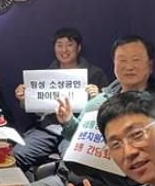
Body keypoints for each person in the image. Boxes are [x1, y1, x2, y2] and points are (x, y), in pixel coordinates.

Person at [16, 35, 155, 186]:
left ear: (150, 65)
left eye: (136, 60)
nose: (128, 66)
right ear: (114, 64)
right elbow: (78, 135)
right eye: (122, 60)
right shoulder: (99, 100)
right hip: (72, 177)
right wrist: (68, 121)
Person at [13, 27, 109, 173]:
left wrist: (97, 96)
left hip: (77, 130)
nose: (64, 50)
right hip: (48, 129)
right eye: (59, 45)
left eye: (69, 45)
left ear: (78, 48)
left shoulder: (95, 74)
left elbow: (107, 109)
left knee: (74, 162)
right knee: (16, 155)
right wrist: (24, 98)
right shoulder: (45, 75)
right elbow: (38, 109)